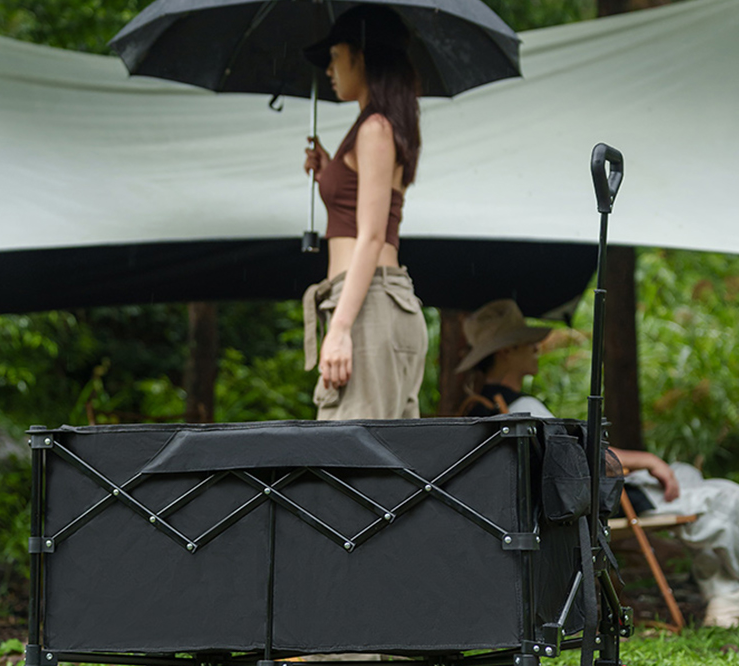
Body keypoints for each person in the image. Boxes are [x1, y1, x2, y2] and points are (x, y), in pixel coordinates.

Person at [458, 298, 739, 628]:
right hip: (600, 503)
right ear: (506, 351)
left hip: (563, 504)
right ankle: (727, 600)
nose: (537, 349)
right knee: (725, 496)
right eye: (528, 344)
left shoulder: (480, 409)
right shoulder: (522, 407)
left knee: (687, 474)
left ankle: (722, 595)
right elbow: (577, 459)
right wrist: (646, 460)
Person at [301, 4, 428, 420]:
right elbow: (365, 205)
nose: (329, 69)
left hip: (368, 302)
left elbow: (371, 236)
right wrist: (329, 173)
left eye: (335, 56)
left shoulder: (375, 128)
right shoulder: (381, 126)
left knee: (349, 453)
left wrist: (339, 329)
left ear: (361, 56)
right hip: (378, 301)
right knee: (383, 454)